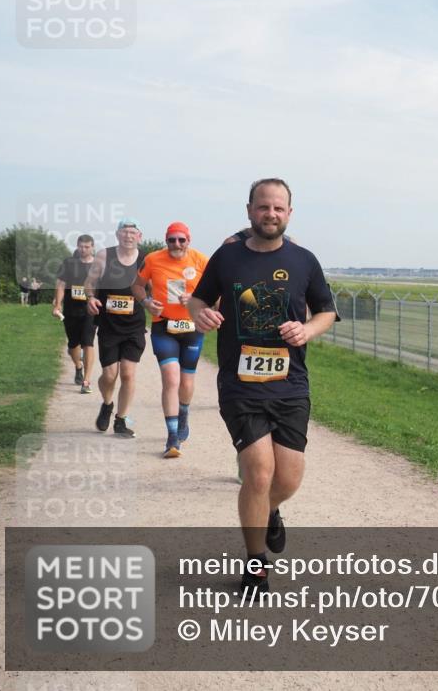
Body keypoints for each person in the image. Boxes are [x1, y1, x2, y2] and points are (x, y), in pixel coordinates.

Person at [188, 178, 338, 596]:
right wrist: (200, 314)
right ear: (249, 210)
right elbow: (198, 299)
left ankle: (268, 511)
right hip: (240, 385)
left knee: (286, 480)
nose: (270, 214)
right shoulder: (227, 257)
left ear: (289, 213)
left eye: (278, 208)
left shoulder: (304, 260)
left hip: (290, 385)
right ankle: (256, 566)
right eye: (263, 206)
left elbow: (326, 311)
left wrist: (307, 330)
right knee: (258, 472)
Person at [131, 222, 209, 458]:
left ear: (188, 240)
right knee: (171, 378)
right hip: (164, 326)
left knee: (186, 382)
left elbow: (216, 295)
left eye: (181, 240)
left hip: (192, 327)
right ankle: (172, 437)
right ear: (166, 241)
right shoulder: (153, 259)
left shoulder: (201, 261)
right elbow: (137, 286)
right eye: (171, 240)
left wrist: (196, 299)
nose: (176, 244)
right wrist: (146, 303)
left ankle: (183, 413)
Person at [85, 218, 147, 438]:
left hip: (134, 325)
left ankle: (121, 420)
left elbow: (155, 285)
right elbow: (90, 283)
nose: (128, 236)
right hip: (109, 325)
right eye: (124, 231)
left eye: (132, 232)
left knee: (128, 374)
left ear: (139, 236)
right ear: (117, 235)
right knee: (109, 375)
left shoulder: (146, 259)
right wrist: (91, 298)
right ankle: (107, 403)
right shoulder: (105, 255)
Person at [53, 235, 98, 393]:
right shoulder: (69, 263)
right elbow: (61, 284)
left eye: (87, 247)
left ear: (92, 247)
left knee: (88, 342)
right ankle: (78, 365)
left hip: (90, 310)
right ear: (77, 246)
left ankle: (86, 381)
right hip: (71, 310)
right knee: (73, 345)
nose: (83, 249)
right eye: (81, 246)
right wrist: (57, 304)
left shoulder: (98, 265)